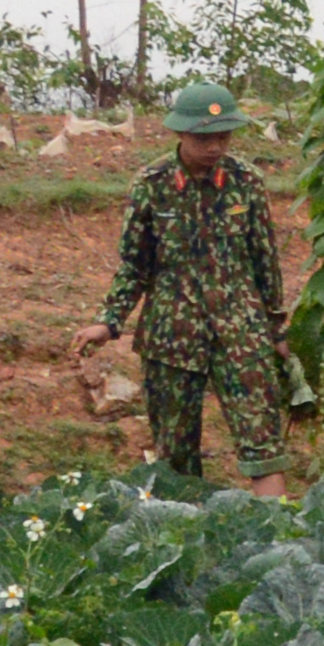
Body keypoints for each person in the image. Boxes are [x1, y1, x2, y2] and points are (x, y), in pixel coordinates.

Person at [77, 80, 291, 484]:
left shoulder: (248, 182)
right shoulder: (151, 185)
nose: (214, 147)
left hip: (241, 334)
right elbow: (135, 265)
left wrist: (276, 328)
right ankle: (185, 542)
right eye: (203, 138)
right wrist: (109, 321)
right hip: (172, 339)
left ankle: (280, 539)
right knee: (174, 458)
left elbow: (266, 261)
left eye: (223, 137)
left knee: (264, 445)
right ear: (179, 133)